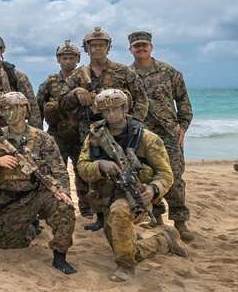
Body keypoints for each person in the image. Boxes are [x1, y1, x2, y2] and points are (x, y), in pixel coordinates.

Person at [76, 88, 188, 282]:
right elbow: (82, 167)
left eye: (116, 109)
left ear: (124, 107)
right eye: (106, 110)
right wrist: (100, 166)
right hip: (106, 198)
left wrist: (153, 189)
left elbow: (165, 174)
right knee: (124, 247)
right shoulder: (95, 136)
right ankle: (165, 240)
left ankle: (125, 267)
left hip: (136, 198)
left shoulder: (146, 138)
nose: (112, 114)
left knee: (120, 215)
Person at [0, 93, 78, 274]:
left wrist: (63, 191)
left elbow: (59, 169)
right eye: (4, 109)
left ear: (24, 109)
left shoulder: (42, 138)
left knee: (64, 208)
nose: (7, 113)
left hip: (38, 195)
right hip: (11, 202)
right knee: (7, 246)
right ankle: (32, 227)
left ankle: (59, 257)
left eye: (11, 108)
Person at [60, 26, 148, 231]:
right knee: (92, 175)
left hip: (120, 132)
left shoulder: (124, 72)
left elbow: (142, 100)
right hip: (90, 132)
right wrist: (75, 94)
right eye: (93, 45)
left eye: (101, 45)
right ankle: (100, 215)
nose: (97, 48)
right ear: (86, 48)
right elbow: (61, 102)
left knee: (124, 171)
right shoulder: (78, 76)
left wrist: (132, 124)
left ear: (108, 47)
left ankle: (129, 215)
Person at [129, 31, 195, 241]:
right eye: (137, 45)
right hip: (141, 134)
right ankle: (156, 217)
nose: (141, 48)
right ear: (131, 49)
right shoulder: (126, 75)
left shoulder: (169, 72)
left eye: (144, 45)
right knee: (146, 175)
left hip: (168, 134)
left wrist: (182, 128)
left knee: (174, 177)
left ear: (151, 47)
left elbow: (183, 102)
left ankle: (180, 222)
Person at [37, 40, 89, 216]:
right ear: (58, 59)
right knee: (55, 170)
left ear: (78, 59)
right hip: (57, 133)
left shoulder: (85, 79)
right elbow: (37, 108)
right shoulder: (49, 83)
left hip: (81, 132)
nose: (68, 61)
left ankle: (86, 208)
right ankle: (58, 204)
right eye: (64, 58)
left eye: (72, 57)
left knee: (82, 171)